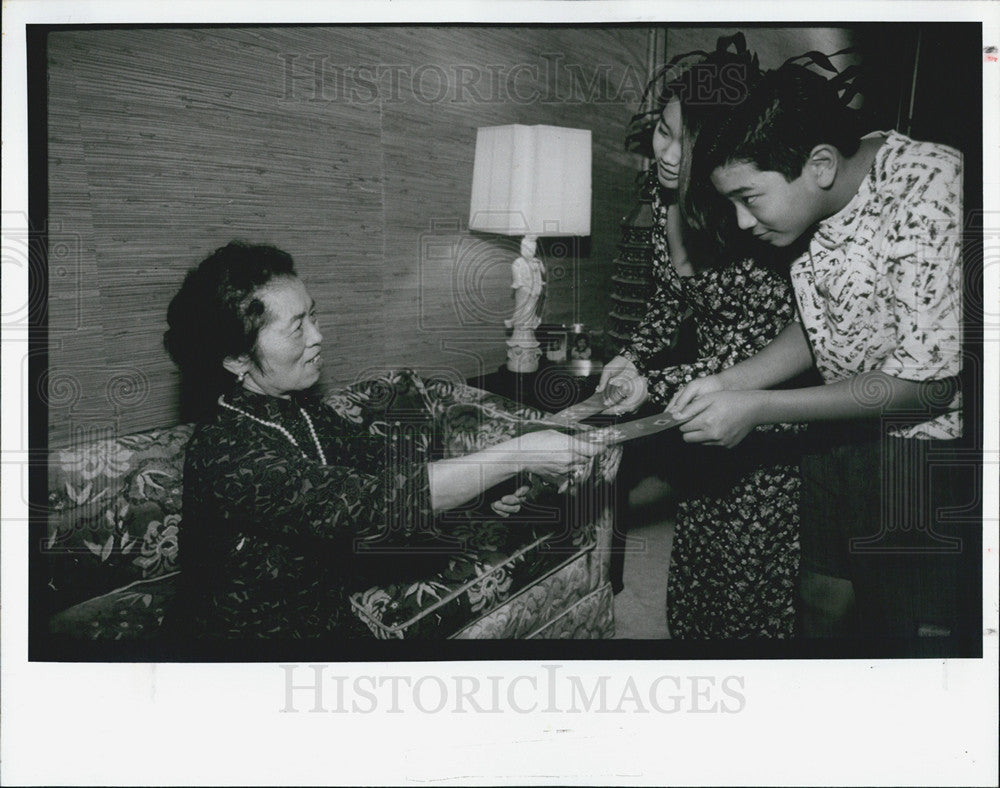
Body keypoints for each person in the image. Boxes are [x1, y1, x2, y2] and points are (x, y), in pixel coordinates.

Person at [163, 241, 600, 639]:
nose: (318, 335)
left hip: (321, 616)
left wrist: (489, 491)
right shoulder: (226, 453)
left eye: (313, 315)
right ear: (236, 358)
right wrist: (516, 453)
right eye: (297, 328)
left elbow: (385, 464)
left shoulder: (299, 408)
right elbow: (376, 503)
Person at [670, 62, 969, 642]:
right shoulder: (808, 204)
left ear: (821, 165)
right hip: (836, 427)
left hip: (920, 453)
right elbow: (819, 328)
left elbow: (930, 384)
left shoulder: (930, 184)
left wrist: (761, 409)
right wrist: (733, 383)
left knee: (900, 622)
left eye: (748, 198)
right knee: (821, 597)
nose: (741, 220)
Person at [595, 41, 807, 638]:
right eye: (662, 131)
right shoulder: (665, 200)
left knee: (747, 588)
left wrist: (651, 384)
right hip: (701, 399)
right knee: (695, 565)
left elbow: (751, 342)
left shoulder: (751, 222)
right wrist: (630, 354)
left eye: (680, 141)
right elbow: (669, 302)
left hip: (765, 415)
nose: (663, 151)